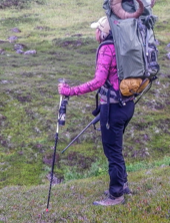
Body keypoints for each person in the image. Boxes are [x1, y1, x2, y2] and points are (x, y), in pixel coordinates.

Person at [58, 16, 135, 206]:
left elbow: (98, 81)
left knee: (112, 152)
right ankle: (122, 184)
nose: (95, 33)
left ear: (103, 32)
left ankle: (116, 195)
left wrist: (70, 91)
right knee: (116, 148)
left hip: (113, 108)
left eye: (97, 29)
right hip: (128, 104)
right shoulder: (122, 44)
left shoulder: (107, 49)